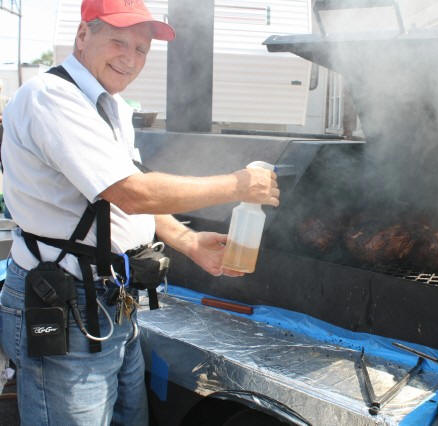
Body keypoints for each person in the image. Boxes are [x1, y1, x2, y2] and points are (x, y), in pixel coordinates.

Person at [0, 0, 279, 424]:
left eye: (141, 49)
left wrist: (187, 240)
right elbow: (131, 193)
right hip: (64, 301)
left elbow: (120, 194)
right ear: (83, 35)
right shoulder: (51, 98)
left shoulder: (111, 106)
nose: (130, 58)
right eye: (119, 42)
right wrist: (238, 185)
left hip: (114, 303)